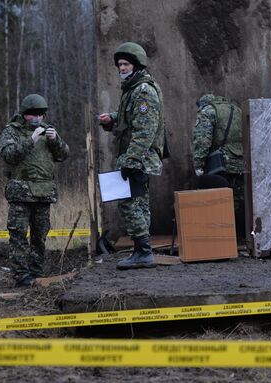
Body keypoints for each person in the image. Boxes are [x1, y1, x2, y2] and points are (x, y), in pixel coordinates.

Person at [99, 42, 165, 270]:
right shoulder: (133, 89)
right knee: (140, 204)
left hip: (138, 159)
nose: (122, 68)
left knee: (128, 205)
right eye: (119, 65)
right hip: (136, 158)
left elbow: (144, 129)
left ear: (136, 65)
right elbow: (131, 118)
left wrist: (132, 160)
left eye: (126, 64)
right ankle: (142, 250)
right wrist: (113, 119)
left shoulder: (143, 91)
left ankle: (143, 252)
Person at [0, 94, 69, 287]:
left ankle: (36, 272)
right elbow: (8, 155)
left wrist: (55, 141)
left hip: (43, 192)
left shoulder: (49, 132)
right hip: (21, 193)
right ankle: (21, 275)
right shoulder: (12, 131)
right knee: (19, 235)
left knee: (40, 235)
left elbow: (63, 155)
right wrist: (31, 139)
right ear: (25, 114)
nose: (37, 119)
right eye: (33, 115)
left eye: (41, 114)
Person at [192, 94, 245, 242]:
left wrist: (199, 165)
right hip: (241, 161)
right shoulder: (236, 109)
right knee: (239, 201)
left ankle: (222, 239)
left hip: (222, 163)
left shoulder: (208, 111)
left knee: (220, 202)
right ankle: (240, 237)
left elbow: (202, 141)